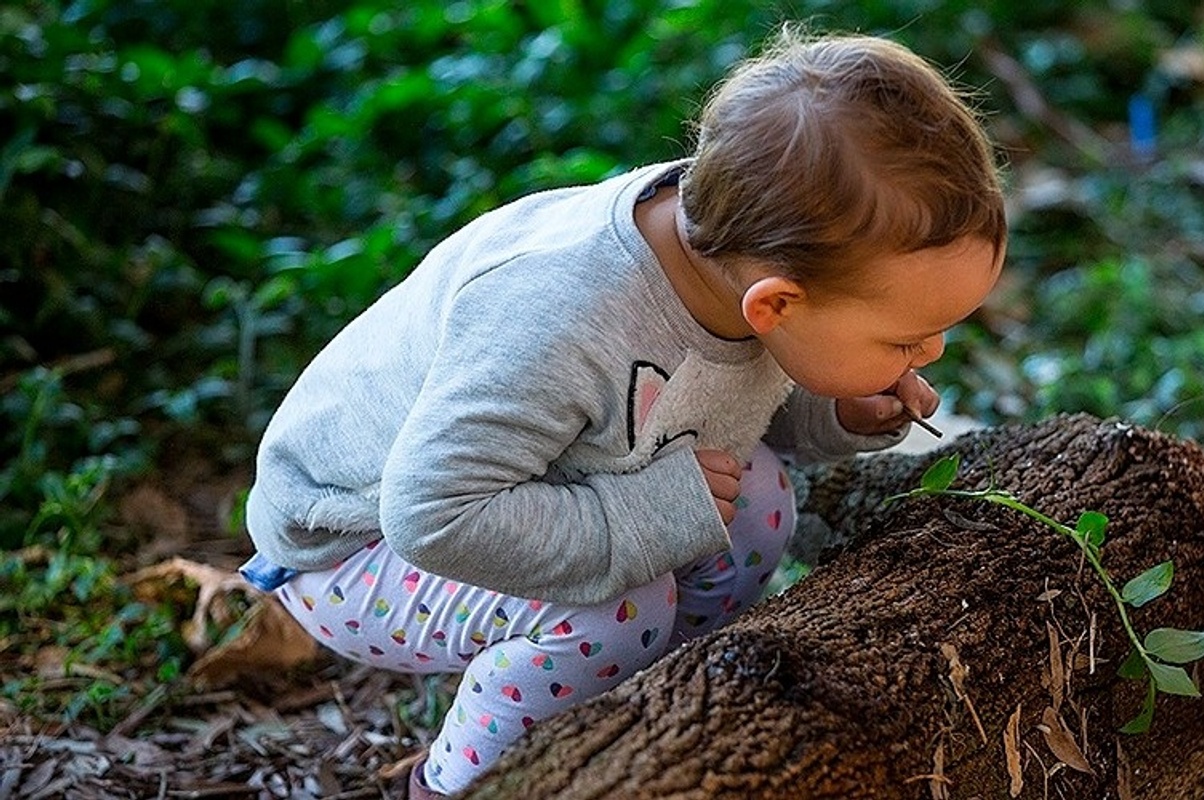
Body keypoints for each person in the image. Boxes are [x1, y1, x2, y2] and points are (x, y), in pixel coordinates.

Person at [237, 25, 1006, 798]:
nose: (932, 350)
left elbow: (717, 394)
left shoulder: (749, 247)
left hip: (533, 486)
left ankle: (647, 698)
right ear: (775, 304)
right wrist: (645, 517)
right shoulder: (560, 320)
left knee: (757, 498)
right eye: (905, 337)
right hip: (352, 543)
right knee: (616, 610)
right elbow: (431, 514)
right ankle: (465, 783)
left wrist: (839, 412)